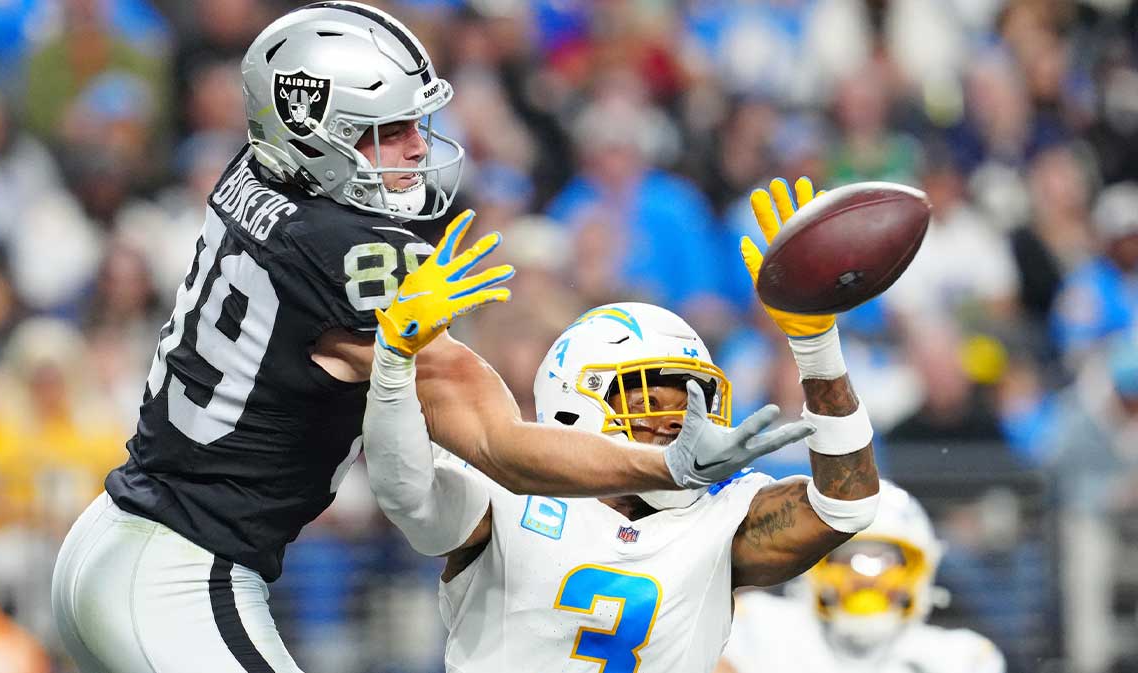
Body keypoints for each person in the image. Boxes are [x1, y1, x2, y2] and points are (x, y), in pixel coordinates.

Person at [50, 4, 786, 673]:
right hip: (182, 572)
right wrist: (666, 464)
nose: (415, 147)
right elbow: (497, 444)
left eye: (413, 124)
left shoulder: (258, 170)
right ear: (314, 132)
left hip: (119, 536)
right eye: (387, 131)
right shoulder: (353, 255)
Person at [362, 177, 883, 671]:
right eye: (649, 402)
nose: (678, 423)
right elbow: (407, 497)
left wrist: (816, 346)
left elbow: (846, 507)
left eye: (692, 403)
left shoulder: (720, 512)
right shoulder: (510, 491)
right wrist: (393, 366)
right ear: (574, 402)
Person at [715, 481, 1005, 673]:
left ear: (919, 570)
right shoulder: (760, 626)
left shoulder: (962, 658)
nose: (867, 578)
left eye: (885, 561)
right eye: (849, 558)